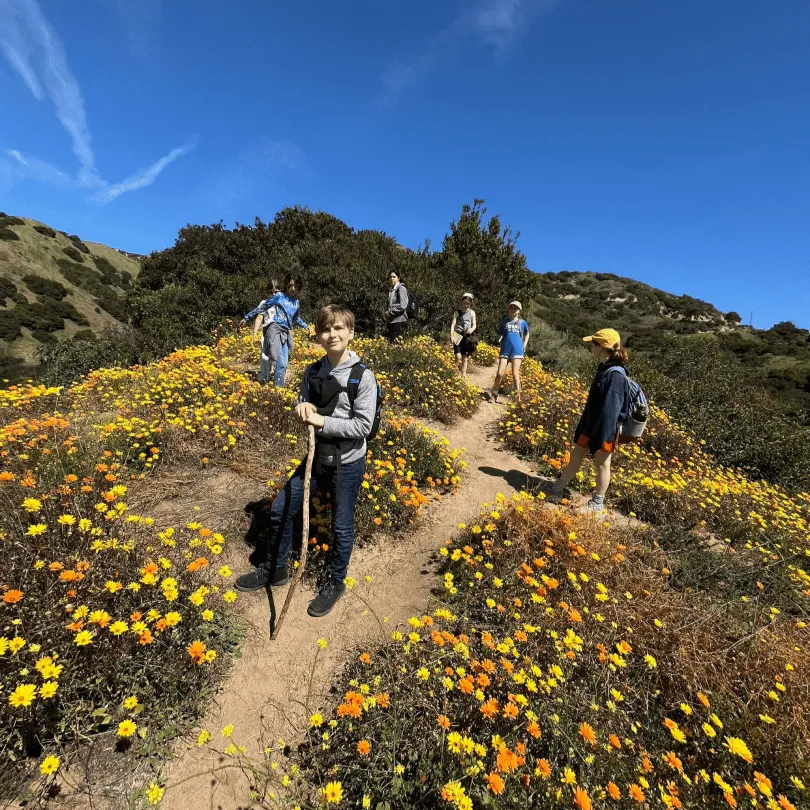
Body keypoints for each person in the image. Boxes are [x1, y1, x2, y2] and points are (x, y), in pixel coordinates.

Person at [235, 304, 377, 618]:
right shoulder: (313, 371)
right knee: (281, 508)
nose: (333, 334)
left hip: (348, 461)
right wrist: (301, 409)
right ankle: (276, 569)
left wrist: (323, 422)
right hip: (315, 456)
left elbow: (363, 427)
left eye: (339, 328)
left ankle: (336, 581)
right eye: (326, 329)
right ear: (318, 334)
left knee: (341, 526)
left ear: (351, 333)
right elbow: (303, 401)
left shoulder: (362, 377)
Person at [547, 328, 630, 513]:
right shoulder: (604, 368)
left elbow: (611, 410)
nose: (591, 347)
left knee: (602, 464)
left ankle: (597, 505)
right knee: (577, 454)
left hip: (604, 430)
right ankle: (559, 486)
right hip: (591, 426)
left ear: (602, 347)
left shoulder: (615, 375)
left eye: (594, 344)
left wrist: (600, 439)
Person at [242, 274, 308, 388]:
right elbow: (263, 307)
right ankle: (276, 387)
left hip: (285, 332)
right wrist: (247, 317)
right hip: (274, 329)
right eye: (290, 285)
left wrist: (305, 326)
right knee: (278, 360)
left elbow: (295, 318)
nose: (293, 289)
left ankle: (278, 388)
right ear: (286, 285)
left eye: (295, 286)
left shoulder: (296, 302)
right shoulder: (279, 296)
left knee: (283, 363)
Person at [489, 301, 529, 403]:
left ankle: (517, 398)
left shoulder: (523, 323)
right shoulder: (504, 322)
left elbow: (527, 334)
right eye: (511, 307)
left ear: (519, 311)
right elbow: (501, 333)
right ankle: (494, 394)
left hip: (517, 349)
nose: (513, 309)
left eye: (515, 308)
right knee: (499, 373)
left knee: (515, 374)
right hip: (505, 348)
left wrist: (524, 344)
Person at [248, 279, 280, 384]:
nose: (273, 294)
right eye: (271, 292)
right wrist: (255, 333)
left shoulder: (283, 303)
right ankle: (264, 377)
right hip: (266, 332)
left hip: (279, 332)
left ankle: (276, 376)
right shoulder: (264, 303)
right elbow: (259, 318)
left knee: (277, 355)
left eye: (276, 292)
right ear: (267, 292)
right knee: (265, 355)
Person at [450, 293, 477, 376]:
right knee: (457, 356)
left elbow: (474, 325)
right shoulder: (457, 313)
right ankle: (454, 371)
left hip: (467, 337)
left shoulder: (472, 313)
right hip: (457, 335)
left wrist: (471, 329)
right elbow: (453, 325)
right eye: (464, 303)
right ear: (462, 303)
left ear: (470, 304)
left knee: (465, 358)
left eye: (468, 304)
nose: (466, 305)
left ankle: (463, 376)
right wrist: (451, 336)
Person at [386, 271, 410, 343]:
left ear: (398, 278)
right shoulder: (393, 290)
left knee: (396, 345)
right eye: (390, 277)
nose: (392, 279)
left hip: (399, 321)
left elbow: (403, 306)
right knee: (392, 345)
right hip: (393, 321)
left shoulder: (401, 289)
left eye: (394, 277)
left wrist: (390, 311)